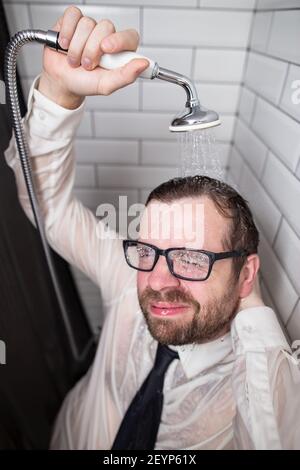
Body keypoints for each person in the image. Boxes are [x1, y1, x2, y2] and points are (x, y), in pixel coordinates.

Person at [4, 6, 300, 450]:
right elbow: (50, 209)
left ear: (247, 274)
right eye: (148, 251)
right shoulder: (130, 277)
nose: (158, 282)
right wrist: (59, 92)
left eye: (190, 258)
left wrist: (247, 298)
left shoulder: (255, 380)